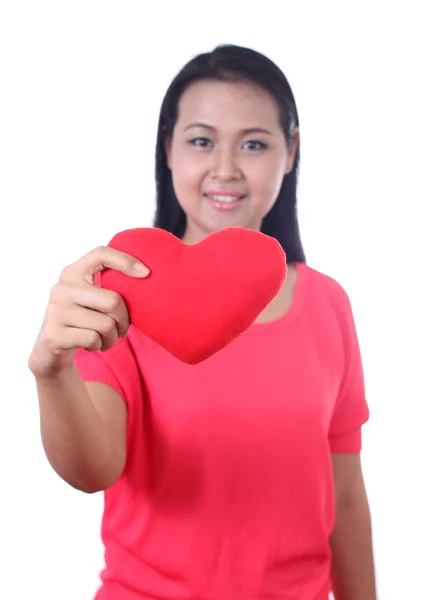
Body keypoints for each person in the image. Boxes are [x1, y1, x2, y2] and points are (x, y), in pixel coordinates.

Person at [28, 45, 376, 600]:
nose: (225, 169)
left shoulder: (328, 304)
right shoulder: (120, 292)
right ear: (167, 148)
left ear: (292, 150)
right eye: (201, 140)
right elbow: (94, 468)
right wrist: (52, 369)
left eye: (255, 144)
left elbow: (347, 496)